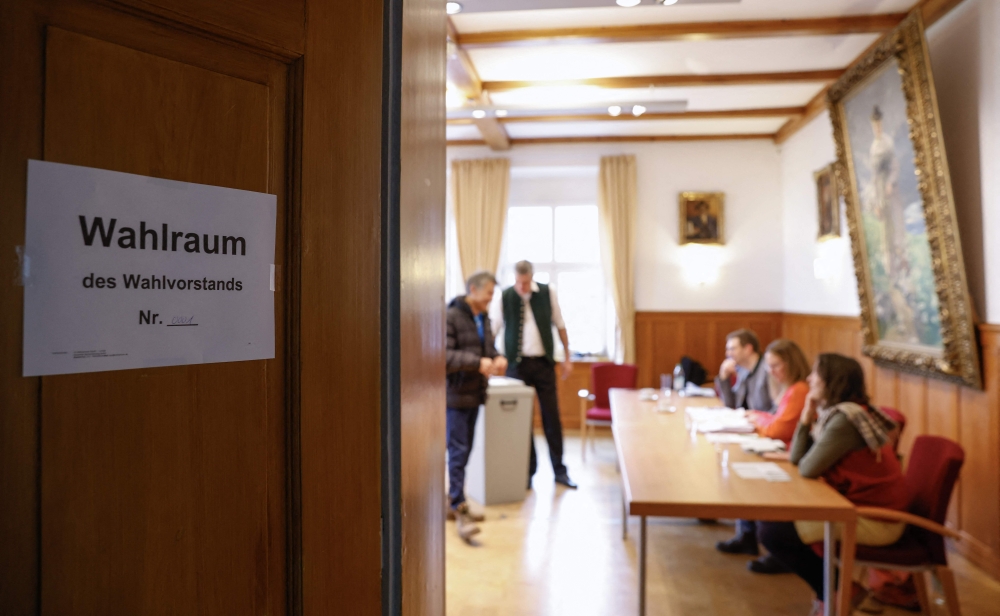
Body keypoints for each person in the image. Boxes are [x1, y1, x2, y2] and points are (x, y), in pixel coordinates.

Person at [759, 354, 911, 616]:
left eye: (815, 374)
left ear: (832, 381)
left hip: (877, 519)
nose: (808, 379)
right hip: (856, 505)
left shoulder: (845, 421)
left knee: (774, 530)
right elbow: (798, 458)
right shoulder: (843, 413)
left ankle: (839, 592)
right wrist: (807, 415)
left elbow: (806, 468)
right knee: (775, 523)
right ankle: (839, 591)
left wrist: (808, 420)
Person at [717, 338, 811, 574]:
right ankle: (747, 534)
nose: (771, 372)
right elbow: (770, 418)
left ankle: (775, 548)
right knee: (739, 468)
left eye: (776, 366)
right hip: (780, 449)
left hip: (788, 454)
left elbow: (779, 429)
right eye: (769, 366)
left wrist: (758, 420)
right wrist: (759, 418)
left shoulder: (799, 390)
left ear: (791, 363)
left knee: (745, 474)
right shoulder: (789, 388)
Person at [490, 260, 577, 490]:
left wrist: (567, 358)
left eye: (526, 282)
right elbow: (495, 328)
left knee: (552, 418)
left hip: (544, 364)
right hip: (517, 367)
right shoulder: (505, 296)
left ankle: (560, 470)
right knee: (521, 421)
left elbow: (560, 324)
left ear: (532, 277)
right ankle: (527, 472)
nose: (522, 287)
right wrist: (490, 358)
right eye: (519, 282)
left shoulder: (548, 293)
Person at [446, 271, 508, 542]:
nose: (490, 299)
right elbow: (442, 355)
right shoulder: (451, 316)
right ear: (473, 289)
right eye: (489, 294)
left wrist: (497, 358)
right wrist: (477, 363)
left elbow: (488, 351)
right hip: (455, 396)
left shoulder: (483, 318)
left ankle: (454, 502)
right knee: (458, 451)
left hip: (475, 394)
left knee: (465, 450)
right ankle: (458, 505)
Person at [715, 329, 772, 413]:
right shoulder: (742, 370)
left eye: (732, 349)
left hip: (762, 424)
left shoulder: (769, 370)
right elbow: (731, 404)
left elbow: (776, 409)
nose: (728, 354)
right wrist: (724, 378)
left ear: (748, 349)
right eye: (727, 349)